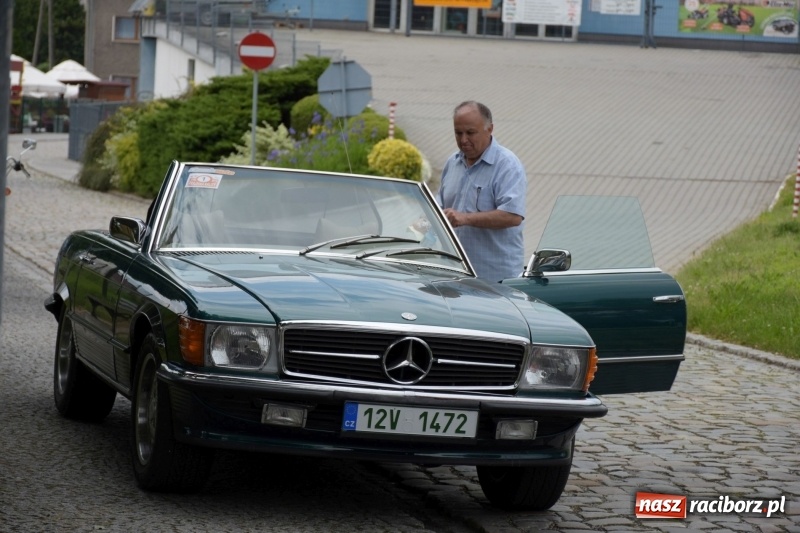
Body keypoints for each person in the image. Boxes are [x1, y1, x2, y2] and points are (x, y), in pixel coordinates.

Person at [436, 101, 527, 283]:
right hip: (456, 275)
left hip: (496, 280)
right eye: (458, 133)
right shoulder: (452, 163)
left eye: (470, 133)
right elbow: (437, 209)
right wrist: (413, 231)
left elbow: (513, 216)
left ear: (490, 129)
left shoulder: (507, 165)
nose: (463, 140)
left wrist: (464, 218)